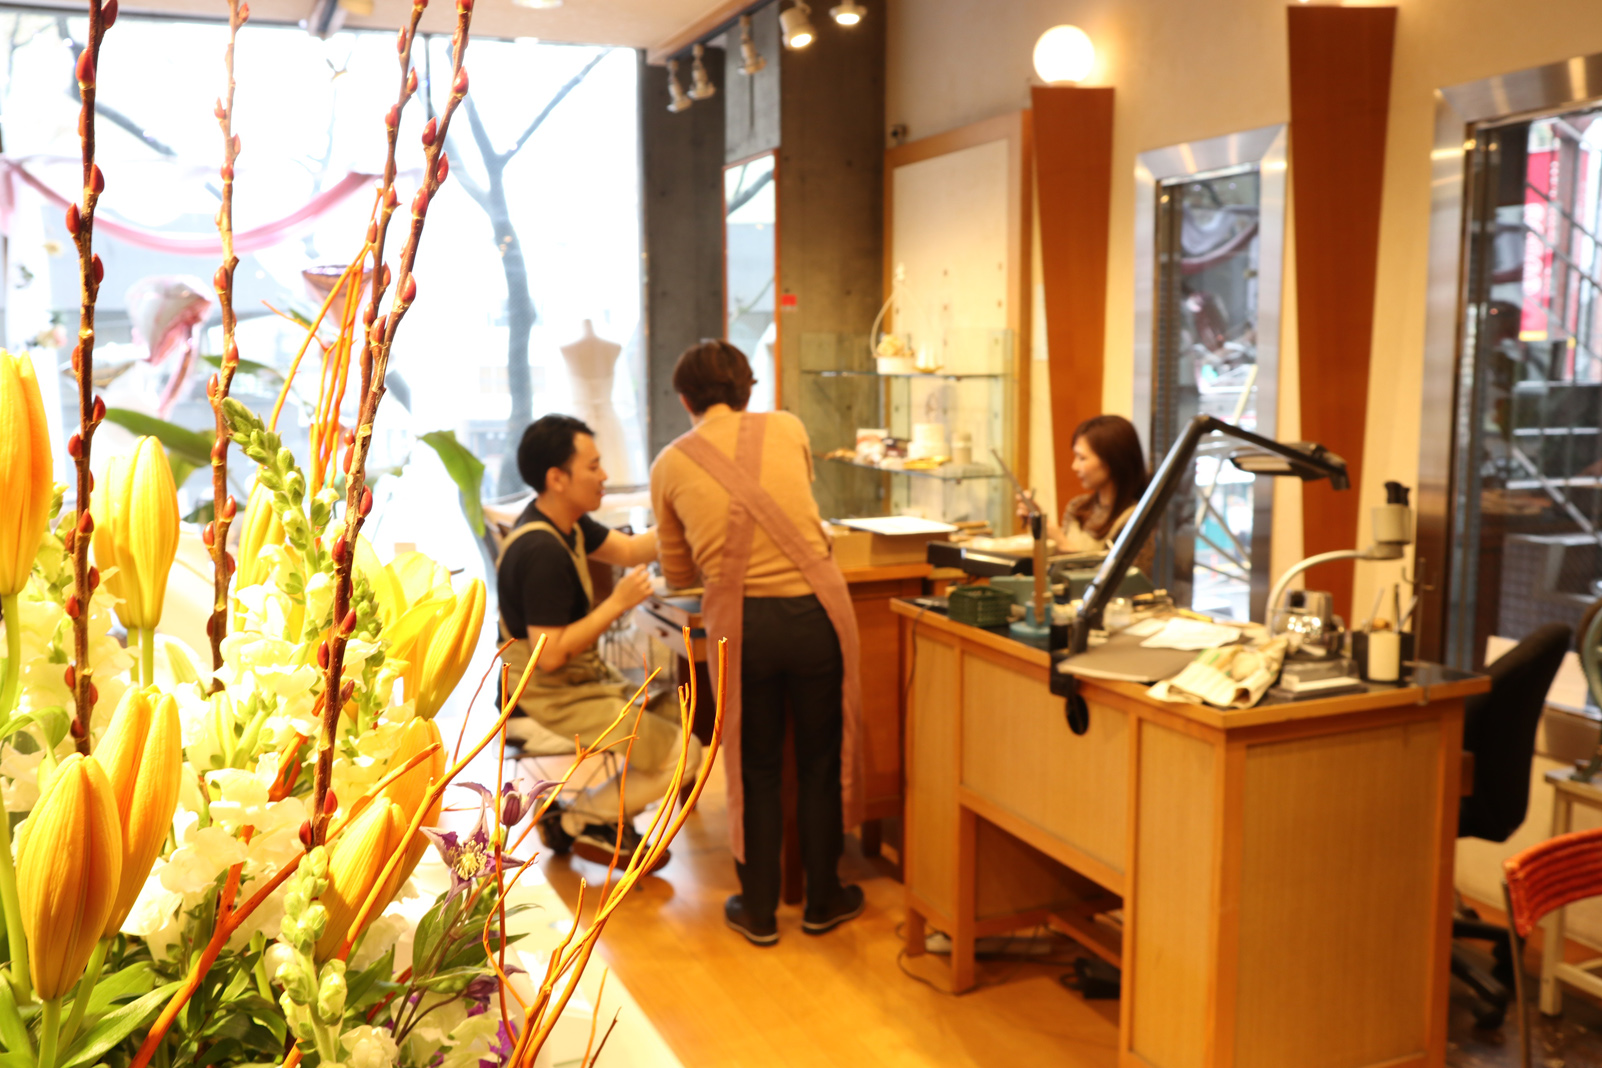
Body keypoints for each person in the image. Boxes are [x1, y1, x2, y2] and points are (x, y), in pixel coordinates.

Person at [650, 340, 865, 946]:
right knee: (821, 760)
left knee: (754, 765)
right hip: (817, 613)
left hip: (743, 627)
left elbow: (679, 574)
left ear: (685, 399)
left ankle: (760, 908)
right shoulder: (789, 428)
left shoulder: (669, 463)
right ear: (747, 388)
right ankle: (824, 899)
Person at [496, 414, 702, 870]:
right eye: (593, 466)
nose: (604, 475)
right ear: (557, 478)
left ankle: (592, 821)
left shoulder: (564, 523)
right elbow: (550, 655)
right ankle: (580, 820)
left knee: (672, 719)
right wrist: (618, 603)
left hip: (573, 685)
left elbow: (630, 550)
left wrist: (690, 513)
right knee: (685, 755)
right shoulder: (542, 550)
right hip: (541, 699)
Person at [1022, 414, 1151, 555]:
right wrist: (1039, 524)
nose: (1074, 466)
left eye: (1082, 458)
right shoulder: (1077, 507)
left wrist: (1062, 543)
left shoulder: (1136, 519)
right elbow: (1058, 563)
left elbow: (1125, 571)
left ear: (1112, 460)